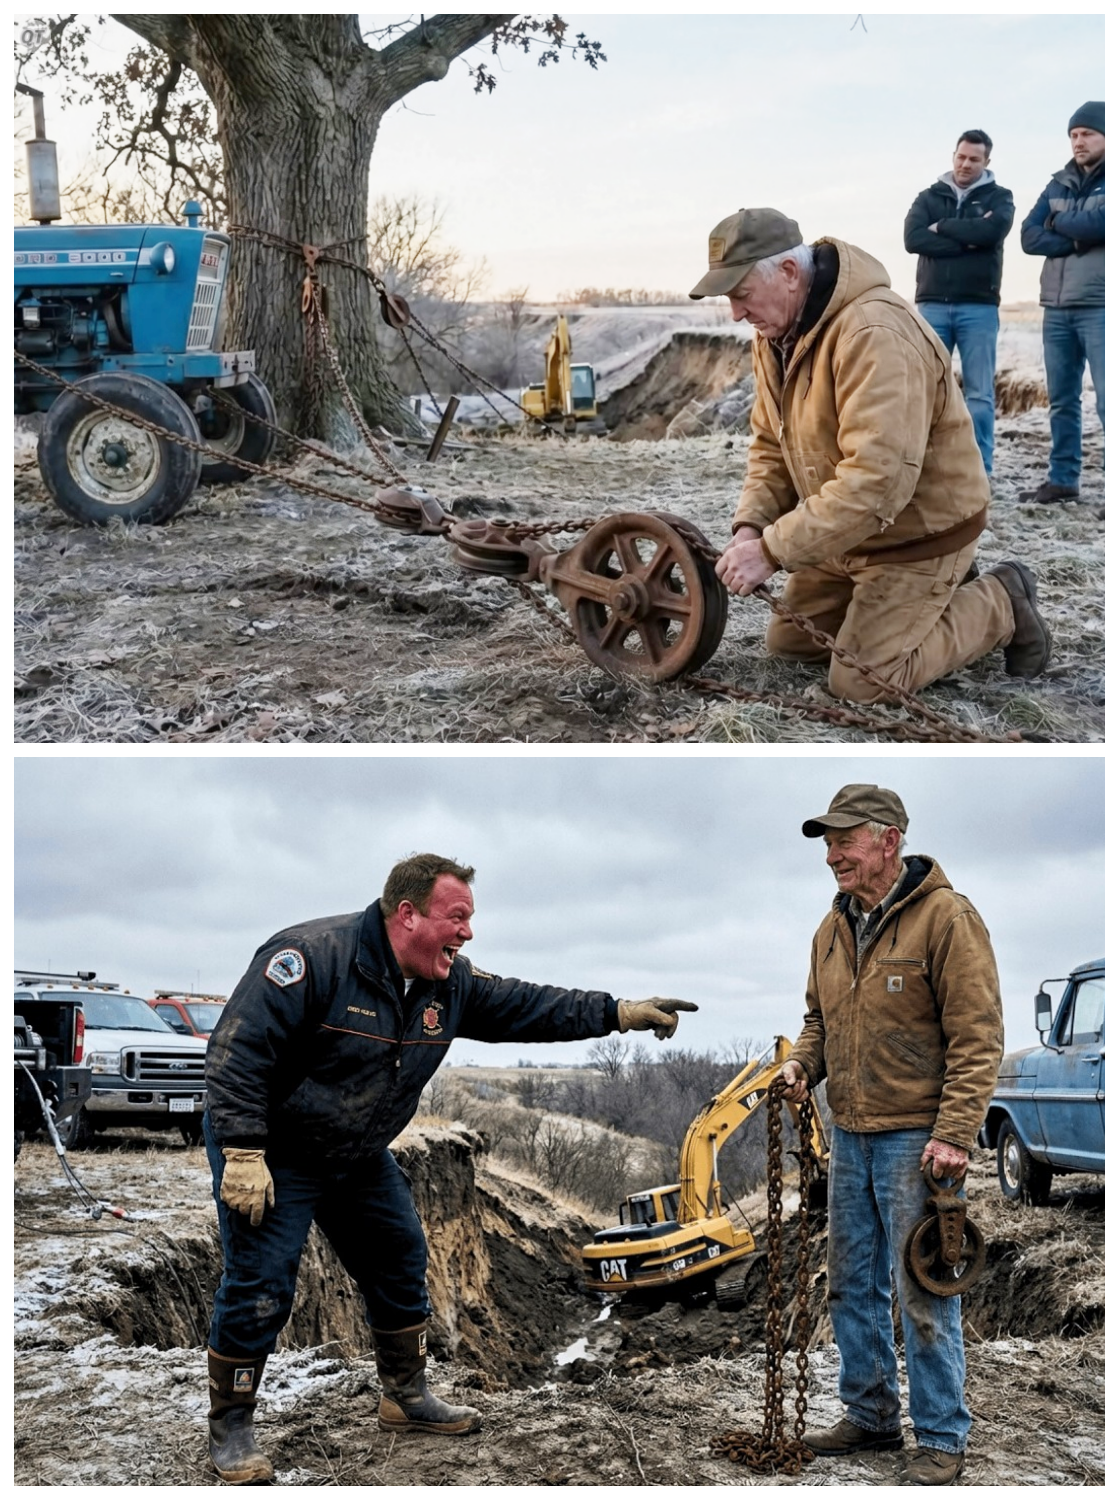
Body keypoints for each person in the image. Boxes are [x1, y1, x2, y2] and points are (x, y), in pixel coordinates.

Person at [202, 852, 697, 1484]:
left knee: (400, 1254)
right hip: (275, 1149)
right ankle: (232, 1427)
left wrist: (618, 1012)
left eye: (469, 918)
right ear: (408, 914)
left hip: (354, 1151)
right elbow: (238, 1052)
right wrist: (243, 1151)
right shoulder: (310, 958)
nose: (467, 932)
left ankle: (405, 1396)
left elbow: (528, 1005)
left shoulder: (449, 983)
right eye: (456, 917)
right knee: (263, 1281)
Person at [690, 207, 1051, 704]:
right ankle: (922, 604)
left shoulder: (875, 334)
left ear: (789, 272)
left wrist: (772, 552)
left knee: (861, 683)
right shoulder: (775, 335)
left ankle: (1001, 601)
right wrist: (751, 526)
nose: (735, 313)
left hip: (915, 535)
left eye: (741, 294)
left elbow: (877, 482)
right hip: (847, 536)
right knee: (791, 646)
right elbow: (772, 446)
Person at [778, 784, 1003, 1486]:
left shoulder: (947, 918)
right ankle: (871, 1414)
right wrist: (800, 1065)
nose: (832, 856)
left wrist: (955, 1134)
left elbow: (977, 1037)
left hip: (919, 1141)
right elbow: (818, 1021)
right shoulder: (830, 929)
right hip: (850, 1135)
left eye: (844, 841)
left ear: (889, 841)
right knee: (850, 1284)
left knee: (923, 1288)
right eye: (827, 844)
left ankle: (941, 1436)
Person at [1019, 101, 1105, 522]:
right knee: (1062, 400)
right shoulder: (1059, 181)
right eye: (1073, 135)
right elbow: (1029, 236)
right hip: (1057, 305)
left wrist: (1059, 223)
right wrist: (1079, 237)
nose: (1078, 141)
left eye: (1087, 134)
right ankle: (1063, 480)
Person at [903, 130, 1014, 477]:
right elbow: (912, 238)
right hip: (932, 306)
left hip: (978, 308)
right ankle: (927, 471)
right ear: (954, 156)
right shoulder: (929, 196)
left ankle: (979, 472)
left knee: (979, 394)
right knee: (927, 390)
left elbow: (991, 233)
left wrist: (942, 227)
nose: (966, 164)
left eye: (974, 159)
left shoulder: (1000, 197)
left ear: (986, 162)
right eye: (961, 157)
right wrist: (966, 243)